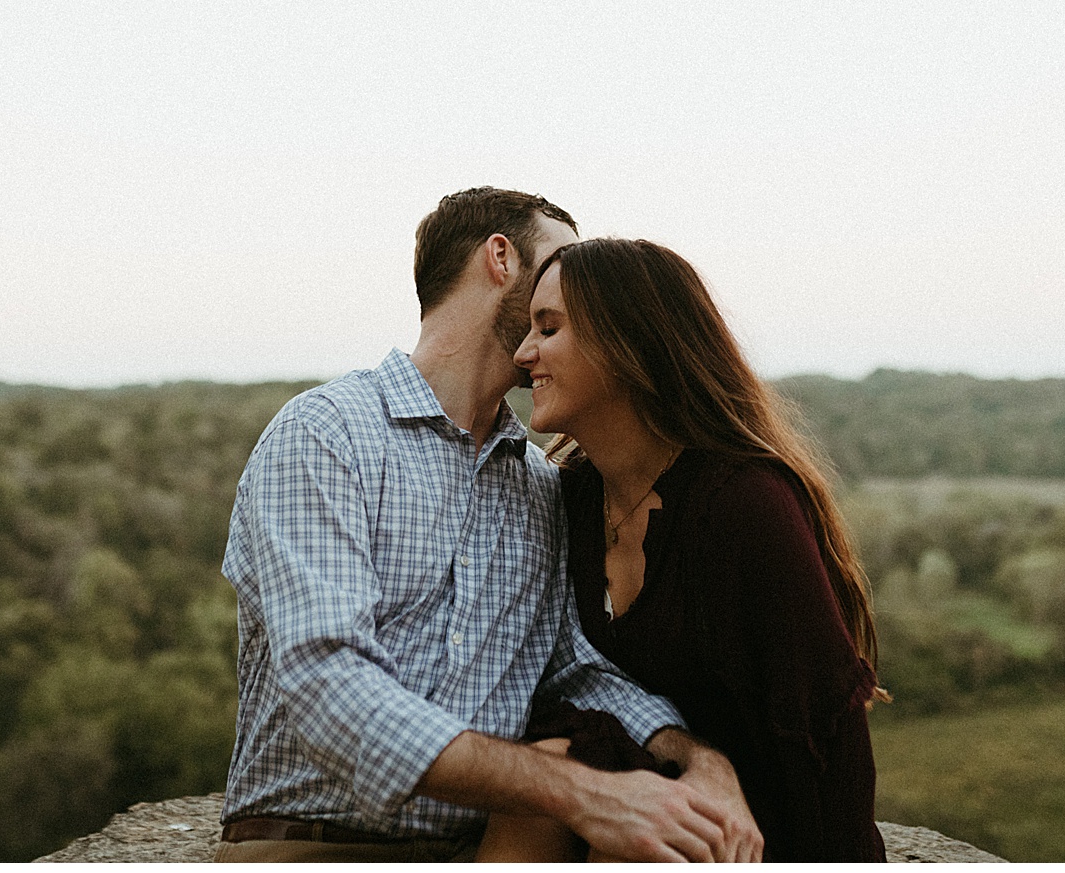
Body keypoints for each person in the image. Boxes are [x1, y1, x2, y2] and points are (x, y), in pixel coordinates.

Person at [216, 189, 762, 862]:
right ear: (500, 258)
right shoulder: (327, 433)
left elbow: (575, 668)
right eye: (561, 261)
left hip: (493, 847)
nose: (579, 289)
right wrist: (581, 792)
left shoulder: (539, 484)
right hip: (315, 844)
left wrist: (698, 758)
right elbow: (333, 689)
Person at [502, 237, 890, 862]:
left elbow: (823, 741)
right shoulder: (565, 500)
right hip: (634, 818)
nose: (524, 354)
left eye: (549, 328)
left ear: (626, 342)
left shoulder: (745, 506)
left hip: (757, 842)